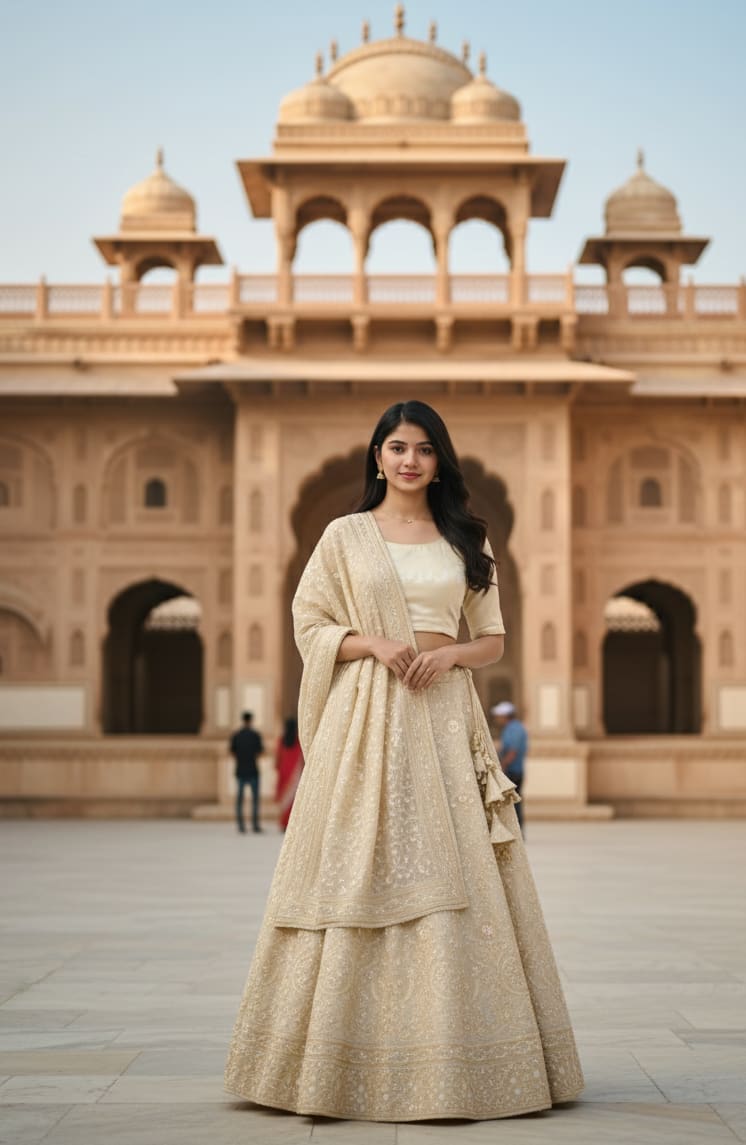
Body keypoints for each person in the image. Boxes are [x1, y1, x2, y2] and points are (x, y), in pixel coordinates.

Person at [225, 400, 583, 1120]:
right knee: (360, 862)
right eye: (397, 447)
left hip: (444, 713)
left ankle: (455, 1055)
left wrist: (448, 653)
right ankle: (331, 1058)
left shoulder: (463, 537)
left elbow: (492, 638)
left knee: (457, 868)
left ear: (439, 459)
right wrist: (372, 644)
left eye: (423, 448)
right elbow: (310, 621)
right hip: (369, 711)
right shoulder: (345, 536)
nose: (410, 459)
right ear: (378, 456)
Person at [492, 700, 528, 834]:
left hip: (513, 771)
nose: (497, 719)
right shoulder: (512, 728)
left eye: (499, 716)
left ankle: (517, 830)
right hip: (513, 770)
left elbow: (513, 751)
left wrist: (503, 766)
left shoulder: (514, 729)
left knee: (513, 801)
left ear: (505, 716)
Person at [229, 711, 264, 834]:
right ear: (251, 720)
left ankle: (241, 826)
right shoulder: (255, 735)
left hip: (240, 771)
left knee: (239, 800)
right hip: (253, 770)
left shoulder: (236, 735)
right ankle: (254, 825)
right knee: (254, 800)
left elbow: (232, 752)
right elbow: (260, 752)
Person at [274, 716, 303, 831]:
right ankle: (291, 823)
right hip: (294, 772)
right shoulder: (297, 741)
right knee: (293, 798)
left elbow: (278, 756)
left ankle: (283, 822)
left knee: (285, 798)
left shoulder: (282, 740)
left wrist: (277, 768)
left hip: (284, 771)